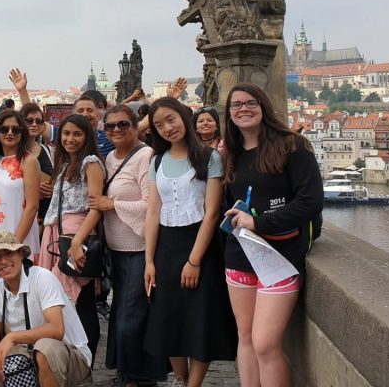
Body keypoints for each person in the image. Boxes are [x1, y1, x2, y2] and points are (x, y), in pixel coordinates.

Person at [221, 83, 323, 387]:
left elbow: (310, 202)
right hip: (240, 256)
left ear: (263, 106)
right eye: (236, 105)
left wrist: (259, 223)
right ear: (229, 114)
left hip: (281, 256)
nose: (243, 109)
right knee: (246, 337)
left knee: (265, 343)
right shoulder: (231, 153)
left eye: (250, 102)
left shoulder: (293, 145)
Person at [143, 97, 236, 387]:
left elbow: (211, 213)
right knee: (167, 315)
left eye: (171, 119)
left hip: (200, 245)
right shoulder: (157, 160)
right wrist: (149, 260)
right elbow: (153, 211)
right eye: (159, 125)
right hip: (166, 246)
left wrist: (194, 260)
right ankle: (179, 379)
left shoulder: (210, 158)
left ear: (184, 116)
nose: (167, 128)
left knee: (199, 317)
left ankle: (193, 384)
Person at [90, 105, 167, 386]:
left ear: (136, 126)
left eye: (123, 124)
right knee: (124, 310)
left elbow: (151, 204)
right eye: (110, 126)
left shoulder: (146, 156)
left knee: (130, 314)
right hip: (116, 250)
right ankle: (131, 371)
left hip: (138, 248)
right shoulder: (109, 157)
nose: (116, 130)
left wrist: (113, 204)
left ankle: (134, 375)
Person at [0, 230, 92, 387]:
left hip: (70, 361)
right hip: (25, 359)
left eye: (8, 253)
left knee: (45, 348)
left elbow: (56, 329)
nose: (3, 261)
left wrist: (12, 337)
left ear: (21, 255)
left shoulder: (42, 277)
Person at [37, 114, 103, 362]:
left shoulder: (91, 162)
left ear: (87, 136)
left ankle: (85, 362)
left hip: (76, 235)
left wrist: (77, 243)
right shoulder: (66, 163)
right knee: (59, 299)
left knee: (82, 300)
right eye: (66, 133)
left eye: (77, 134)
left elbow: (95, 207)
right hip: (59, 234)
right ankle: (68, 357)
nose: (70, 139)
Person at [0, 109, 41, 266]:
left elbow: (32, 206)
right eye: (4, 129)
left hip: (20, 233)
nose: (10, 133)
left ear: (22, 133)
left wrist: (14, 245)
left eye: (15, 129)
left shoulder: (28, 161)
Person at [18, 102, 55, 226]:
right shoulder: (12, 152)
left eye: (39, 121)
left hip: (46, 219)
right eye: (29, 121)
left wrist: (52, 188)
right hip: (21, 216)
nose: (34, 125)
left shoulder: (49, 151)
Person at [76, 91, 113, 157]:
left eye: (90, 110)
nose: (85, 114)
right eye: (81, 110)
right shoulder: (64, 135)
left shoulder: (109, 137)